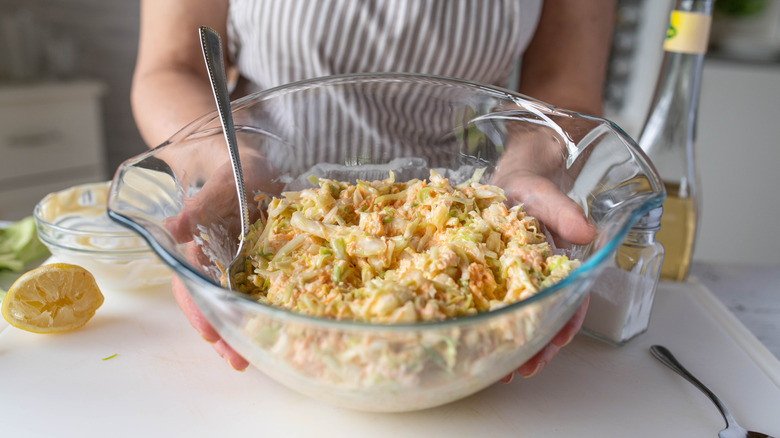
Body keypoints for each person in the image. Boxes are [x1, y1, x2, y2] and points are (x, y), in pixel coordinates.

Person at [131, 0, 615, 380]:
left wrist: (530, 169)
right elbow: (173, 67)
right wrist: (224, 162)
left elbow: (563, 88)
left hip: (475, 190)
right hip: (261, 201)